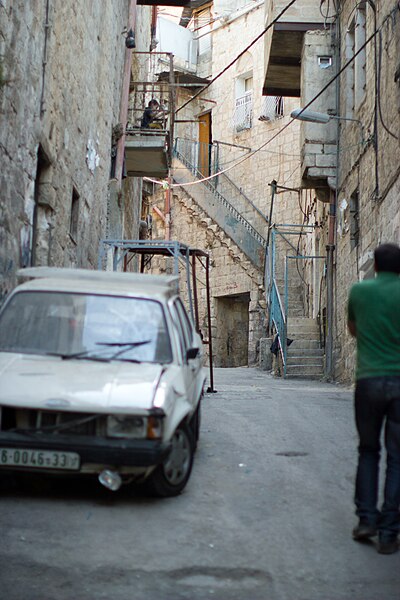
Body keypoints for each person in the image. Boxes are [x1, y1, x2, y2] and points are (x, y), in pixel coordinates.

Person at [347, 242, 400, 554]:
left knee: (368, 451)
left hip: (368, 381)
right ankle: (390, 532)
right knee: (397, 457)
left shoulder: (359, 292)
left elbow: (354, 330)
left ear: (376, 266)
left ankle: (366, 519)